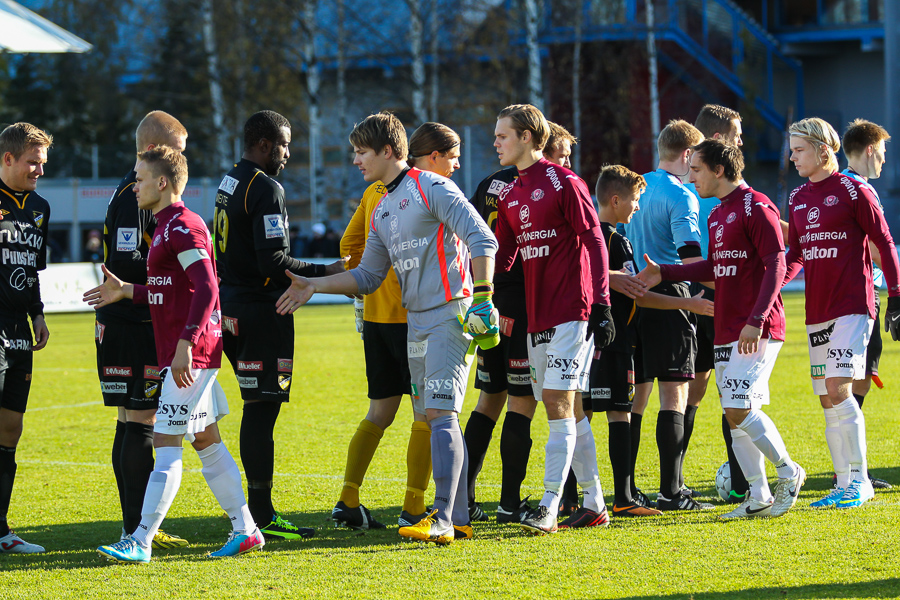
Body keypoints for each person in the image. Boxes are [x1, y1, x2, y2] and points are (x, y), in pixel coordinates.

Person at [277, 112, 497, 545]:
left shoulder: (431, 185)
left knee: (438, 414)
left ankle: (444, 518)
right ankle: (460, 516)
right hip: (415, 323)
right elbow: (366, 277)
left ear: (389, 151)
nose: (356, 160)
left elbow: (482, 238)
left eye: (362, 152)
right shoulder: (381, 208)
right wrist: (314, 286)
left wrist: (484, 297)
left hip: (450, 314)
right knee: (436, 416)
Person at [87, 146, 263, 562]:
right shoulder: (165, 227)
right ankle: (247, 529)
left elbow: (207, 288)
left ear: (162, 183)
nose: (134, 186)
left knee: (165, 442)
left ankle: (141, 538)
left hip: (193, 355)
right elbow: (175, 290)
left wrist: (186, 343)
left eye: (141, 178)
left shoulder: (183, 226)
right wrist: (129, 291)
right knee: (207, 442)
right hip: (192, 353)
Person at [640, 139, 806, 519]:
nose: (690, 175)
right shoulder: (716, 215)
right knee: (735, 412)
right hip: (726, 325)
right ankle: (759, 495)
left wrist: (756, 320)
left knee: (738, 406)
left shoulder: (757, 206)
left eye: (696, 169)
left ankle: (788, 471)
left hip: (756, 327)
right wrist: (664, 271)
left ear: (719, 170)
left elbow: (777, 266)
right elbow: (713, 268)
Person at [213, 110, 343, 540]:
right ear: (266, 145)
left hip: (230, 305)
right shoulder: (266, 187)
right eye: (285, 145)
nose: (289, 154)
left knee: (256, 410)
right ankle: (262, 514)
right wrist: (330, 270)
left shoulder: (230, 179)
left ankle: (253, 509)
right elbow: (274, 261)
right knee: (261, 410)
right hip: (261, 312)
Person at [331, 122, 462, 530]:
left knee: (380, 410)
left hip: (375, 316)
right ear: (433, 156)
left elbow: (348, 246)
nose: (455, 167)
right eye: (452, 158)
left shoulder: (376, 194)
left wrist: (366, 288)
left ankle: (348, 498)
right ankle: (415, 506)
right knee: (428, 414)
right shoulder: (419, 191)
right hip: (415, 316)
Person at [493, 104, 613, 534]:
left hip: (572, 310)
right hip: (536, 314)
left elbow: (595, 240)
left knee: (556, 403)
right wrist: (471, 289)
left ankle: (548, 504)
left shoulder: (565, 182)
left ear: (527, 137)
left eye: (503, 136)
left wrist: (601, 304)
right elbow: (503, 258)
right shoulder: (510, 195)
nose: (496, 143)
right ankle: (595, 501)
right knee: (567, 406)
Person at [783, 117, 900, 509]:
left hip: (853, 305)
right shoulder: (798, 198)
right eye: (792, 149)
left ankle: (861, 481)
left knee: (839, 388)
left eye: (799, 150)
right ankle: (843, 482)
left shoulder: (854, 191)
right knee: (827, 399)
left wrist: (896, 295)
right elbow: (795, 256)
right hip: (816, 310)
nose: (792, 156)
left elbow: (884, 240)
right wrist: (768, 292)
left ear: (822, 150)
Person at [592, 165, 713, 517]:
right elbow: (641, 291)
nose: (638, 208)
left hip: (620, 327)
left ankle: (619, 492)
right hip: (653, 306)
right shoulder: (618, 237)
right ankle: (667, 492)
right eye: (634, 200)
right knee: (671, 395)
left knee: (629, 403)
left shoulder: (597, 234)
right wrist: (690, 302)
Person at [96, 110, 189, 549]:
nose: (179, 164)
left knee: (129, 422)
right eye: (175, 152)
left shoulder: (129, 190)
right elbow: (135, 264)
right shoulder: (135, 196)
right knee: (140, 422)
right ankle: (136, 529)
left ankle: (132, 525)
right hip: (134, 322)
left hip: (127, 320)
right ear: (154, 151)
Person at [622, 120, 711, 511]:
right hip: (669, 290)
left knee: (635, 398)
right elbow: (689, 254)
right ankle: (671, 491)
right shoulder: (682, 195)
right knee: (673, 393)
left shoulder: (636, 185)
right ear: (688, 154)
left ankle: (627, 492)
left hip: (629, 295)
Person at [687, 104, 749, 503]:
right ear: (719, 138)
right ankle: (747, 480)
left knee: (696, 392)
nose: (741, 141)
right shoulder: (707, 187)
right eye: (737, 134)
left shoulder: (699, 180)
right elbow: (696, 257)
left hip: (702, 295)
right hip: (713, 297)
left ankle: (671, 485)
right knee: (729, 393)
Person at [0, 123, 52, 554]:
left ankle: (0, 530)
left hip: (19, 329)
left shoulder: (40, 208)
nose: (39, 170)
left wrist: (38, 314)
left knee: (11, 428)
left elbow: (32, 269)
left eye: (43, 163)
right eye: (33, 162)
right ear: (8, 158)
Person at [839, 118, 892, 490]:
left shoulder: (837, 185)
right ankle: (853, 470)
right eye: (884, 153)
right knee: (853, 381)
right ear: (870, 150)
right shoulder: (859, 189)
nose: (885, 161)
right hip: (862, 296)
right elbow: (877, 245)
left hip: (842, 297)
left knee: (852, 382)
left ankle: (853, 468)